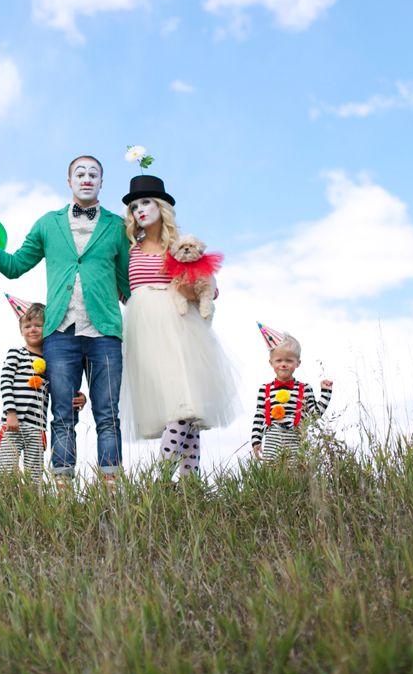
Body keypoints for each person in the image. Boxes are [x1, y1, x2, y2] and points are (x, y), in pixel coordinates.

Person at [0, 156, 130, 483]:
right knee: (63, 416)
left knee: (108, 415)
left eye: (93, 174)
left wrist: (185, 283)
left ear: (101, 182)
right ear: (69, 181)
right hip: (61, 335)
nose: (86, 178)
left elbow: (129, 283)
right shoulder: (47, 224)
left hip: (105, 333)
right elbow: (15, 266)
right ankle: (63, 489)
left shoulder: (117, 226)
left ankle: (112, 490)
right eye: (79, 173)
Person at [120, 174, 241, 478]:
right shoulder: (128, 248)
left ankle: (161, 477)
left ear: (162, 207)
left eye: (146, 202)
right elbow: (121, 288)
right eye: (135, 206)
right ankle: (189, 485)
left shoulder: (178, 245)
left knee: (187, 406)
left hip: (178, 323)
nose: (140, 210)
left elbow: (208, 288)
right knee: (176, 407)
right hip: (143, 326)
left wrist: (192, 290)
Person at [0, 302, 86, 482]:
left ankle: (31, 506)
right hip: (14, 423)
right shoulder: (16, 353)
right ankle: (5, 504)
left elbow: (59, 387)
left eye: (38, 325)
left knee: (34, 476)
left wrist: (79, 396)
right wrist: (11, 413)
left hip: (37, 427)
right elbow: (6, 383)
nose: (33, 330)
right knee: (7, 471)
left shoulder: (50, 362)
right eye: (27, 326)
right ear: (21, 330)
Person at [251, 325, 333, 461]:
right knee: (273, 474)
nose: (283, 364)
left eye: (289, 360)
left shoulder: (304, 389)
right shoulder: (264, 390)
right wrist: (256, 440)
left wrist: (326, 392)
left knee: (295, 475)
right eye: (279, 360)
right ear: (271, 362)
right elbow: (259, 416)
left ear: (298, 363)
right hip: (272, 440)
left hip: (296, 440)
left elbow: (315, 414)